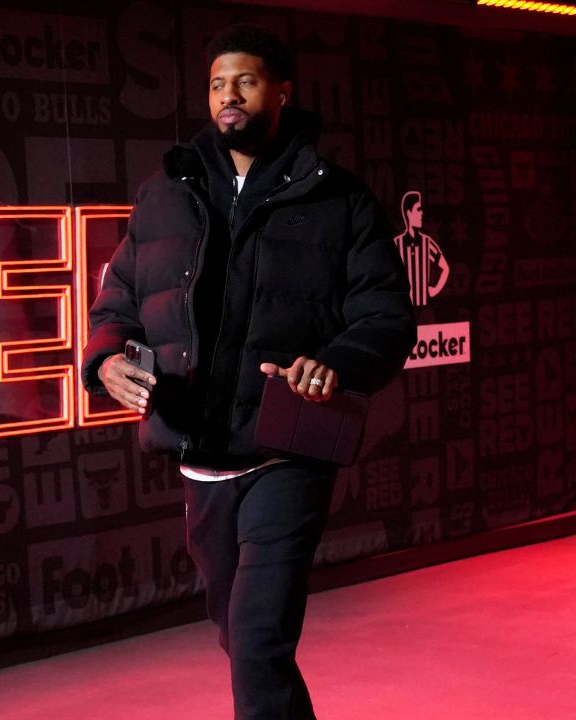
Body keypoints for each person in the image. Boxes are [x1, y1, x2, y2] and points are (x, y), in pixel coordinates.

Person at [80, 24, 415, 719]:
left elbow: (384, 317)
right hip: (199, 458)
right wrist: (108, 358)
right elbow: (116, 301)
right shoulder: (163, 194)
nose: (228, 96)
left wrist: (334, 364)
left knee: (260, 639)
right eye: (216, 83)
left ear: (282, 93)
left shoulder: (340, 199)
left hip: (285, 451)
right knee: (239, 637)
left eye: (247, 80)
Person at [393, 190, 450, 307]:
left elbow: (445, 268)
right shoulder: (397, 244)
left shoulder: (426, 243)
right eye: (418, 209)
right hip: (403, 310)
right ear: (408, 213)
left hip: (425, 310)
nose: (421, 213)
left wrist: (434, 290)